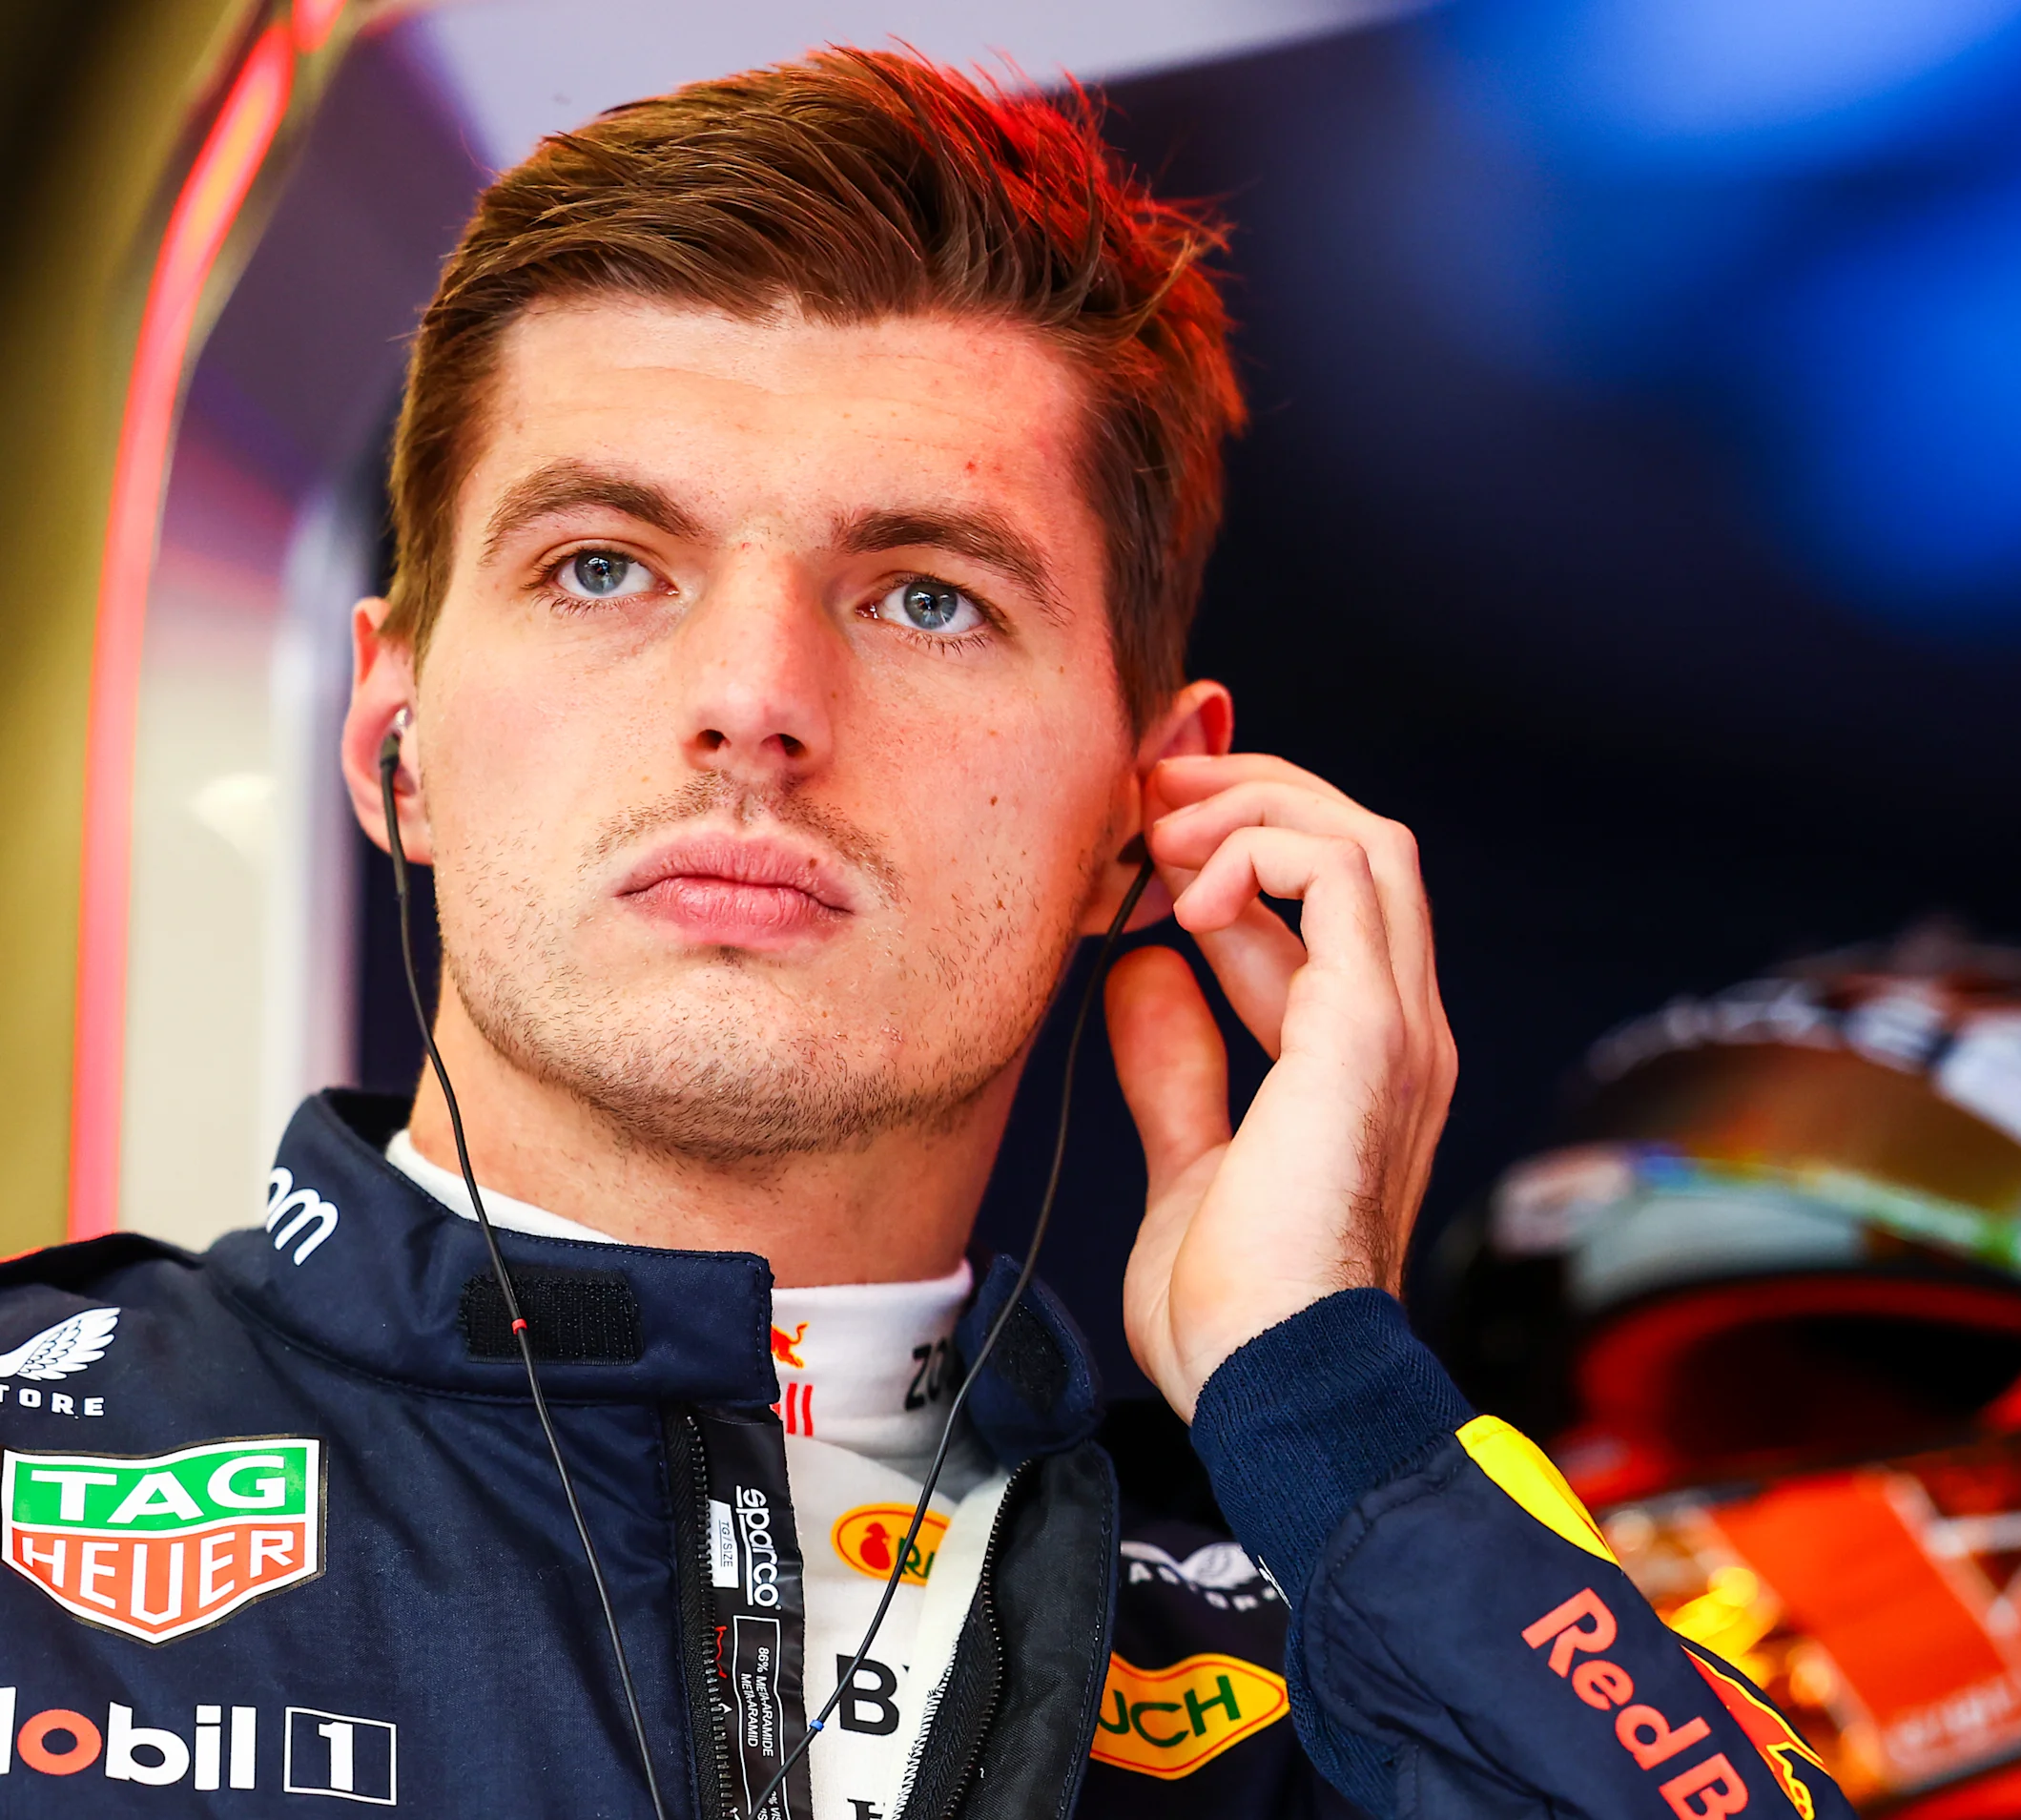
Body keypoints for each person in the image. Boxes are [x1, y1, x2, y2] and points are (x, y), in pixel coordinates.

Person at [0, 50, 1842, 1820]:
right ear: (390, 733)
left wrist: (1323, 1392)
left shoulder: (1333, 1644)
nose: (752, 699)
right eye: (605, 565)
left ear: (1153, 811)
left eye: (928, 599)